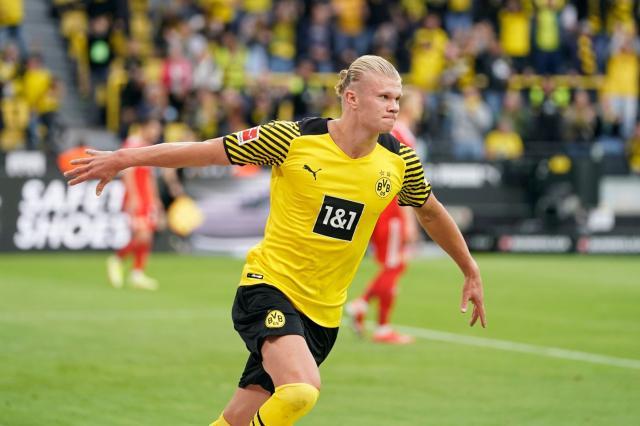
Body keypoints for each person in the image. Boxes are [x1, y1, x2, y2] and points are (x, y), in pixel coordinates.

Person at [65, 55, 486, 426]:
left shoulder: (400, 160)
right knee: (301, 390)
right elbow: (206, 150)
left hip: (323, 315)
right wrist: (125, 158)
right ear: (352, 98)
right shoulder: (291, 139)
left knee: (236, 419)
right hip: (268, 287)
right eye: (384, 97)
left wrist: (469, 268)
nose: (394, 106)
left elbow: (430, 211)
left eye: (397, 98)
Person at [345, 88, 423, 344]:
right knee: (394, 265)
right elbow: (403, 182)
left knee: (393, 265)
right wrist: (409, 220)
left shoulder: (394, 133)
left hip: (383, 207)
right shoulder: (399, 135)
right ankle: (376, 320)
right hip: (391, 210)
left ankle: (367, 310)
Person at [106, 117, 163, 290]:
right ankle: (117, 259)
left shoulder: (149, 147)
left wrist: (155, 199)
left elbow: (149, 177)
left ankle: (137, 273)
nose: (156, 132)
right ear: (143, 127)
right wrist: (133, 197)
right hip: (137, 197)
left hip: (147, 198)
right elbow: (127, 173)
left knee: (147, 237)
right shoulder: (133, 144)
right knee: (142, 235)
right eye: (153, 128)